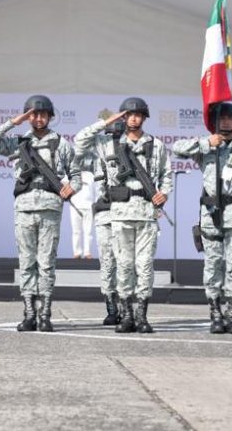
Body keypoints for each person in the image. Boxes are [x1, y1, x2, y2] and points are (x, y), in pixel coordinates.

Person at [0, 95, 80, 332]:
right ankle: (29, 313)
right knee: (27, 262)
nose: (38, 119)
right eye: (33, 114)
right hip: (25, 207)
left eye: (42, 114)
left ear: (50, 116)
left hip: (50, 207)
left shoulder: (61, 144)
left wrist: (73, 186)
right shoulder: (18, 143)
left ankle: (45, 314)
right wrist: (14, 122)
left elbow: (76, 174)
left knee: (46, 262)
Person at [76, 97, 172, 334]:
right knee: (125, 266)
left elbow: (166, 175)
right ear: (123, 117)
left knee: (144, 265)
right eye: (129, 115)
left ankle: (141, 316)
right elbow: (79, 141)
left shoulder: (157, 145)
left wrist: (164, 194)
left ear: (144, 118)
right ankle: (126, 315)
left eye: (138, 114)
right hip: (119, 214)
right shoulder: (109, 145)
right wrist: (106, 122)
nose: (133, 118)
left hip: (146, 214)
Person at [173, 103, 232, 334]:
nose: (224, 122)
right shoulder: (206, 147)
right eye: (220, 118)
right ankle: (215, 312)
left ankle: (231, 314)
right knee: (212, 265)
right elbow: (177, 149)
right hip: (211, 215)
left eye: (229, 118)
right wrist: (206, 143)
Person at [73, 145, 120, 325]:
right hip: (104, 216)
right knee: (108, 264)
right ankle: (111, 309)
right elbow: (78, 150)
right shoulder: (93, 161)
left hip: (127, 215)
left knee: (126, 265)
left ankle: (127, 309)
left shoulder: (129, 155)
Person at [70, 166, 96, 259]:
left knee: (88, 231)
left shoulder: (91, 175)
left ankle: (87, 252)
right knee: (76, 231)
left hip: (88, 206)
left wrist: (94, 204)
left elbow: (95, 192)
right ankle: (77, 252)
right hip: (74, 206)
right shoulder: (72, 174)